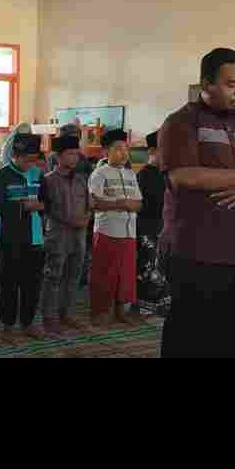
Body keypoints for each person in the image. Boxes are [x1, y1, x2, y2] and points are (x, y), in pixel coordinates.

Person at [158, 48, 235, 358]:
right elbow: (183, 175)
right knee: (192, 336)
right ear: (207, 85)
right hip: (197, 253)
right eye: (231, 84)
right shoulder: (181, 122)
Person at [0, 132, 46, 342]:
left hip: (35, 238)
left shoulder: (38, 174)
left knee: (32, 285)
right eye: (26, 160)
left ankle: (28, 322)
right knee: (10, 285)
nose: (30, 164)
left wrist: (41, 206)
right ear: (15, 156)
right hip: (11, 239)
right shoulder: (2, 176)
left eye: (33, 160)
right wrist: (24, 207)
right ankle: (7, 326)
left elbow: (47, 201)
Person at [88, 129, 142, 327]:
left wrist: (130, 205)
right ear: (106, 152)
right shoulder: (99, 174)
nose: (124, 153)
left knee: (125, 275)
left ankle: (121, 312)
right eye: (118, 149)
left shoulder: (131, 174)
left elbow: (138, 203)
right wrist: (121, 204)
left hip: (129, 232)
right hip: (107, 231)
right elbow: (93, 203)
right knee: (104, 274)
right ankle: (100, 312)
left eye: (126, 149)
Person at [39, 134, 91, 335]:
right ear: (58, 156)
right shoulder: (48, 180)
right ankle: (49, 317)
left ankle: (67, 313)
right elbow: (47, 209)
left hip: (79, 234)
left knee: (74, 275)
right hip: (58, 235)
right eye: (70, 154)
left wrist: (86, 218)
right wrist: (72, 221)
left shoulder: (81, 179)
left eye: (76, 154)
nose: (74, 158)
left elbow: (88, 204)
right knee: (54, 276)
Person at [135, 130, 170, 316]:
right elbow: (143, 206)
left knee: (163, 266)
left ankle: (162, 304)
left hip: (164, 227)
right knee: (148, 267)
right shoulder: (144, 175)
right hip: (147, 228)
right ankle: (144, 306)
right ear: (152, 151)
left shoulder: (166, 174)